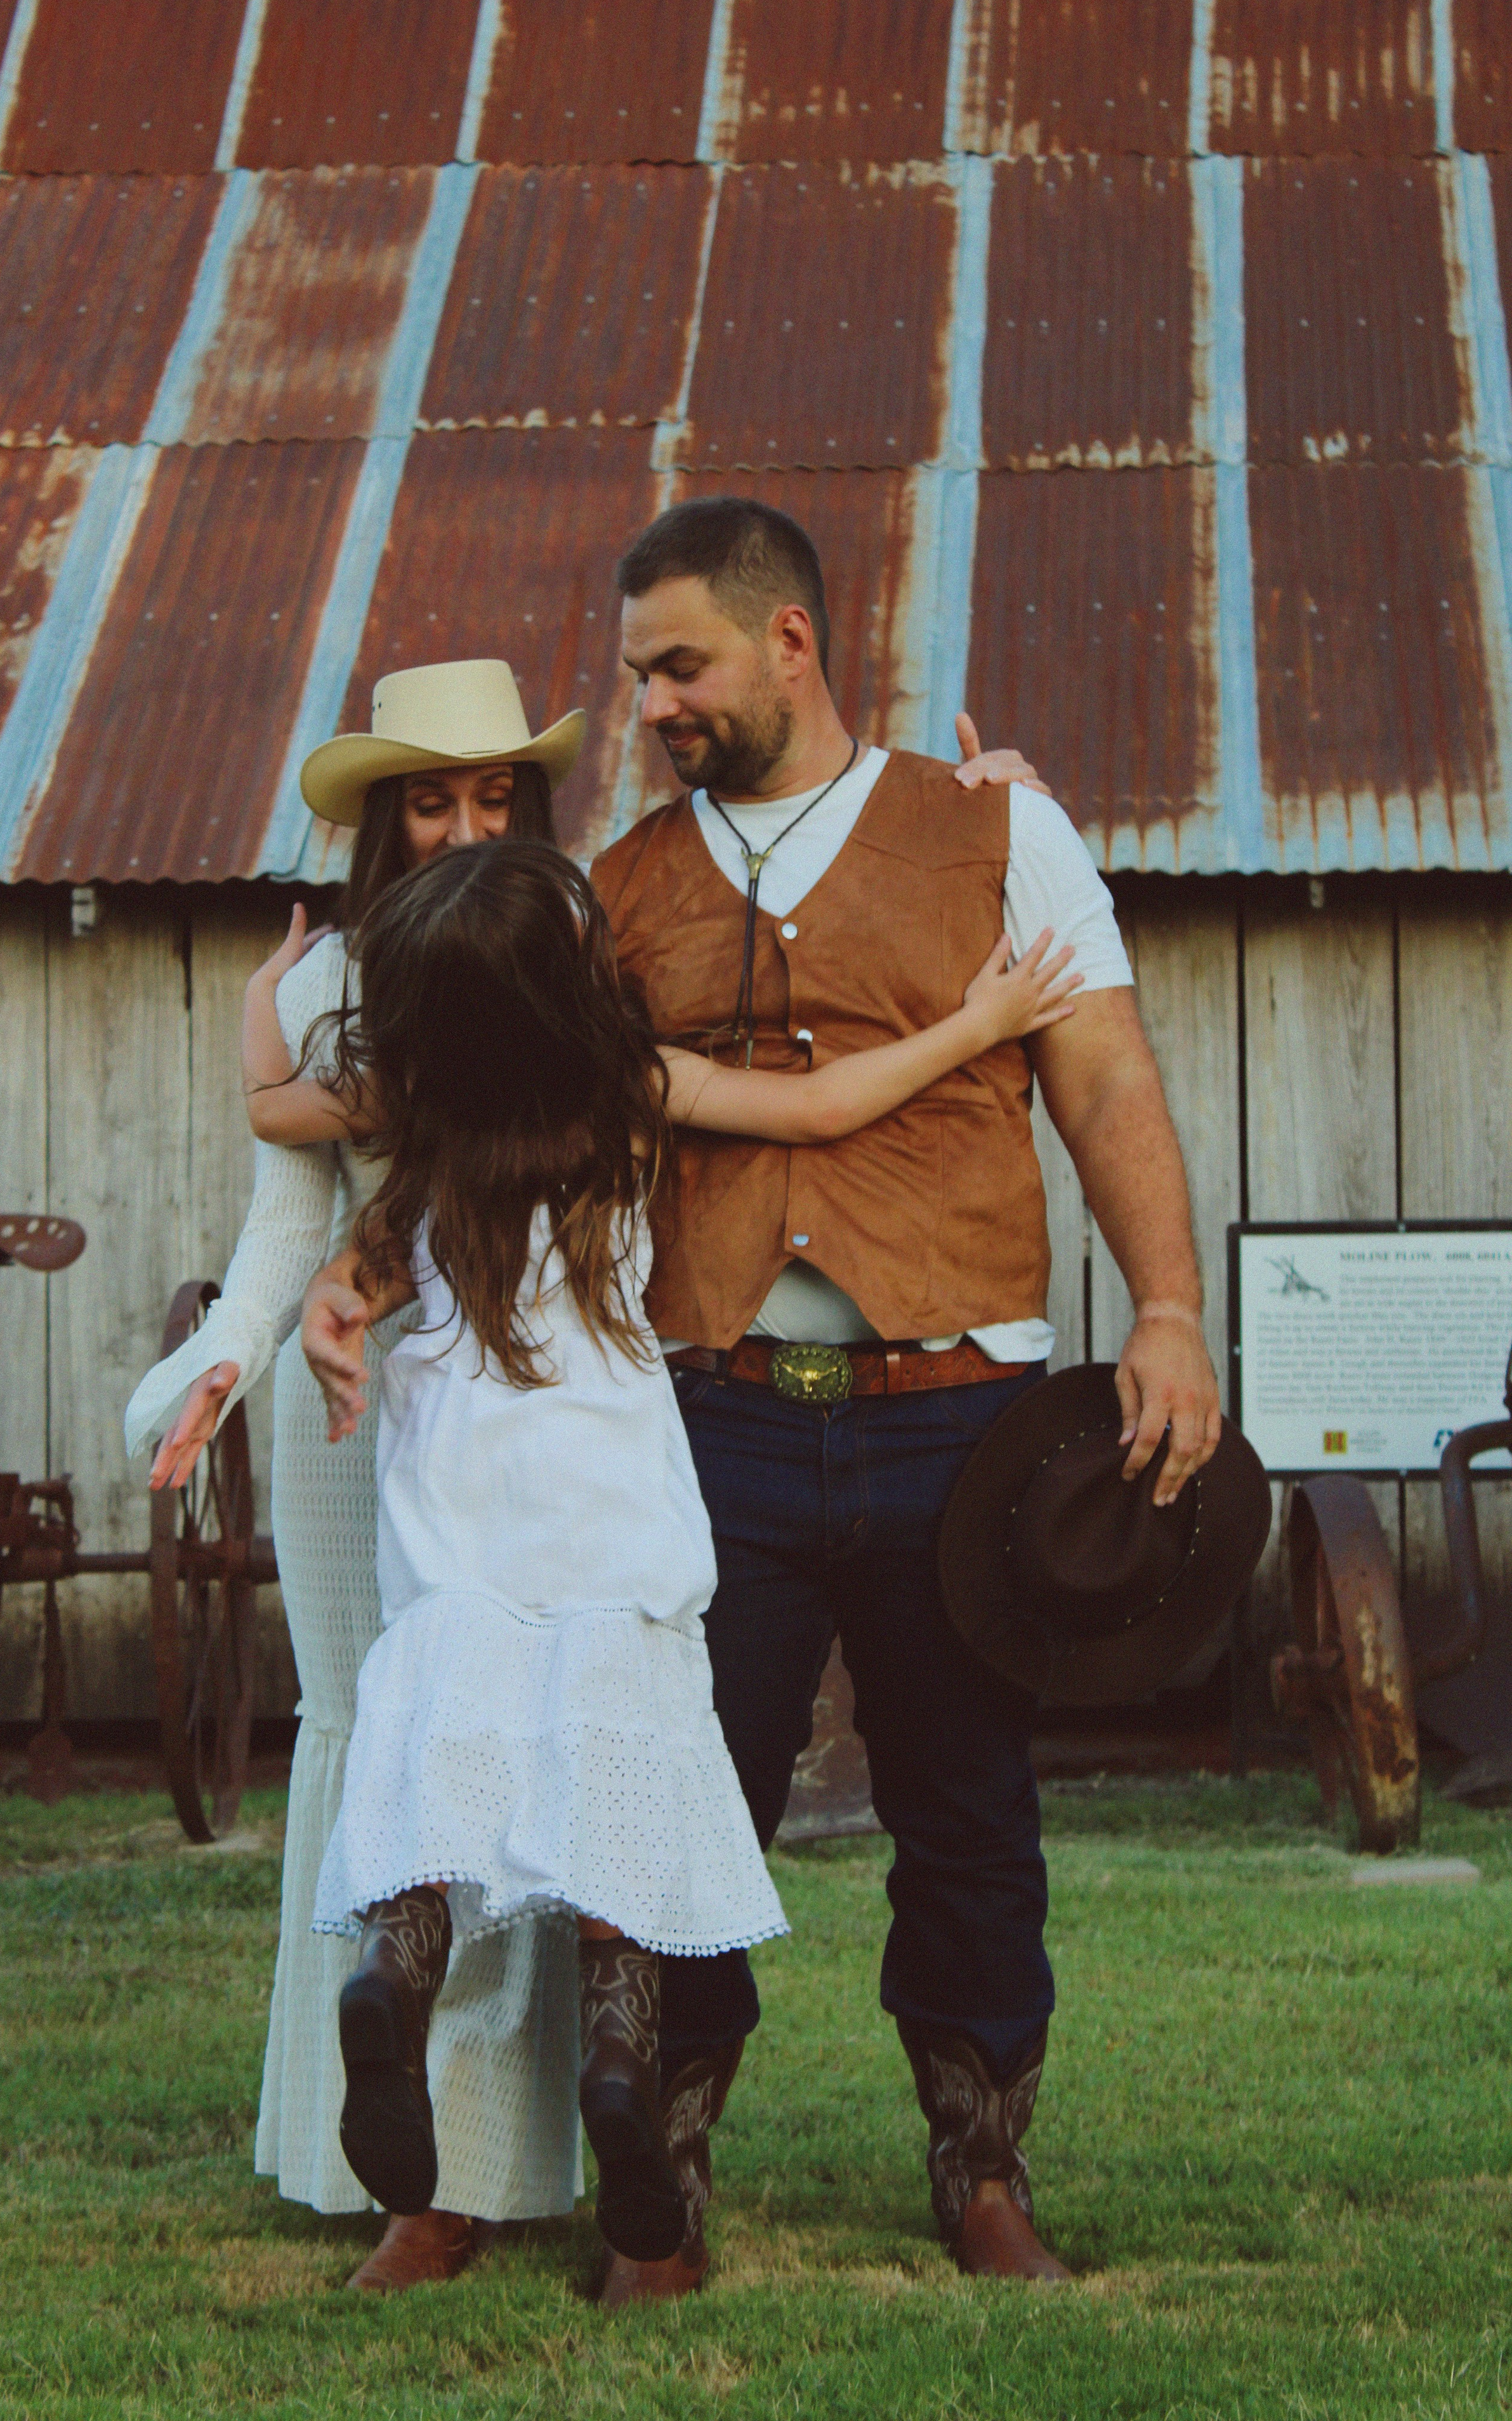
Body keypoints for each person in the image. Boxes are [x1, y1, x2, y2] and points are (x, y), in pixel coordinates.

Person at [242, 838, 1080, 2283]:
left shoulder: (429, 1131)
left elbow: (286, 1133)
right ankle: (622, 2058)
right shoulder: (624, 1100)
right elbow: (819, 1103)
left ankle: (394, 1971)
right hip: (611, 1512)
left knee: (442, 1778)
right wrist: (979, 1025)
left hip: (458, 1521)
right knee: (619, 1794)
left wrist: (272, 1012)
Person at [590, 495, 1224, 2300]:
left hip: (961, 1416)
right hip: (714, 1413)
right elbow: (533, 1131)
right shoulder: (622, 888)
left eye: (683, 665)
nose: (655, 705)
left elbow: (1102, 1081)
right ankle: (666, 2181)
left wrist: (1168, 1307)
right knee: (680, 1804)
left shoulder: (999, 833)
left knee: (967, 1809)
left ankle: (984, 2167)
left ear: (792, 639)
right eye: (640, 674)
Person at [123, 661, 590, 2292]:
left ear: (527, 810)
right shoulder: (321, 983)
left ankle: (494, 2162)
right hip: (345, 1408)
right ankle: (375, 2160)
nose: (464, 825)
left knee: (501, 1746)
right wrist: (212, 1372)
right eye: (429, 797)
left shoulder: (565, 951)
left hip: (515, 1375)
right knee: (365, 1739)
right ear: (384, 816)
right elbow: (286, 1227)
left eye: (491, 796)